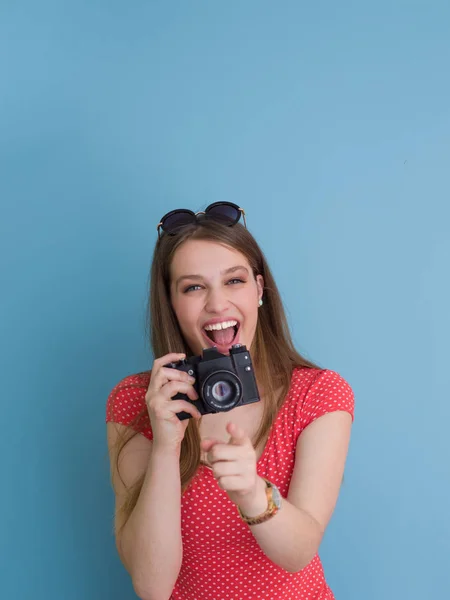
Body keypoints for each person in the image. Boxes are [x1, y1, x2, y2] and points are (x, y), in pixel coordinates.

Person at [106, 201, 354, 600]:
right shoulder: (136, 402)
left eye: (234, 281)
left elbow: (298, 553)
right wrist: (166, 448)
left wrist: (252, 493)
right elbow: (152, 586)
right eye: (193, 287)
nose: (217, 304)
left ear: (259, 289)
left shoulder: (316, 394)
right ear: (171, 303)